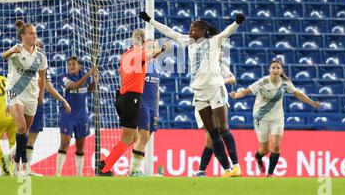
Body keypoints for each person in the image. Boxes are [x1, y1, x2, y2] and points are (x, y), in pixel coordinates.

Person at [139, 11, 245, 177]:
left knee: (223, 128)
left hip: (215, 88)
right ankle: (227, 169)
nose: (190, 31)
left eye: (193, 29)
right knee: (213, 133)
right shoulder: (187, 41)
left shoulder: (214, 41)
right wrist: (150, 20)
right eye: (190, 28)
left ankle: (237, 165)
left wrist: (237, 23)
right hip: (199, 92)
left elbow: (227, 32)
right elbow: (169, 31)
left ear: (203, 31)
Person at [230, 59, 321, 177]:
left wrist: (312, 103)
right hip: (261, 118)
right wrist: (236, 95)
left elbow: (298, 93)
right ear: (269, 69)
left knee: (276, 146)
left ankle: (270, 174)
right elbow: (247, 91)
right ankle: (258, 157)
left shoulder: (285, 83)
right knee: (265, 149)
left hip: (277, 118)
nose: (275, 70)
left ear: (281, 70)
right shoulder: (262, 82)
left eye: (278, 68)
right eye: (273, 68)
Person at [98, 29, 164, 176]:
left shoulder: (125, 55)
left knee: (134, 137)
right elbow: (149, 54)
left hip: (123, 96)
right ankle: (105, 168)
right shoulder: (139, 53)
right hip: (132, 98)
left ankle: (106, 163)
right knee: (129, 138)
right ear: (143, 41)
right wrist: (162, 49)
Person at [5, 40, 72, 176]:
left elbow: (48, 87)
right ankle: (10, 159)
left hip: (36, 103)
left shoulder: (41, 66)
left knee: (30, 137)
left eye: (39, 46)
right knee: (27, 135)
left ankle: (22, 166)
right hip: (30, 102)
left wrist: (62, 100)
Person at [2, 20, 47, 176]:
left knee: (25, 132)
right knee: (21, 127)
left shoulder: (40, 55)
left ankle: (22, 167)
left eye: (35, 33)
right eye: (31, 33)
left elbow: (42, 77)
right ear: (23, 36)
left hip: (32, 95)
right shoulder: (17, 49)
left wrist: (40, 96)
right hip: (15, 91)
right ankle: (19, 166)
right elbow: (3, 56)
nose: (34, 35)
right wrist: (11, 52)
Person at [194, 47, 239, 177]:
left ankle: (226, 169)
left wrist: (221, 81)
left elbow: (233, 78)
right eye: (219, 50)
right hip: (203, 102)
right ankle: (227, 169)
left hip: (218, 101)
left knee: (214, 136)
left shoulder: (221, 66)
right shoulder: (203, 66)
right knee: (211, 138)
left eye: (221, 50)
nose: (222, 53)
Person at [129, 39, 169, 177]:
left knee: (145, 138)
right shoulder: (142, 62)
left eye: (155, 44)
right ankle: (134, 170)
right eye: (150, 44)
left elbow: (156, 88)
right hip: (142, 103)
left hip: (152, 106)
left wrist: (157, 109)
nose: (153, 45)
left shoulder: (157, 66)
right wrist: (161, 50)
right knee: (143, 136)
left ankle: (136, 169)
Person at [56, 56, 98, 177]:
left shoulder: (84, 76)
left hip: (82, 116)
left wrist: (94, 80)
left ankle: (79, 175)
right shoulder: (64, 77)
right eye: (69, 64)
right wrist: (88, 75)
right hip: (67, 115)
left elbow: (90, 89)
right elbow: (74, 86)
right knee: (65, 142)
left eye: (73, 64)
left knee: (80, 145)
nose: (71, 66)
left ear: (79, 66)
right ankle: (58, 173)